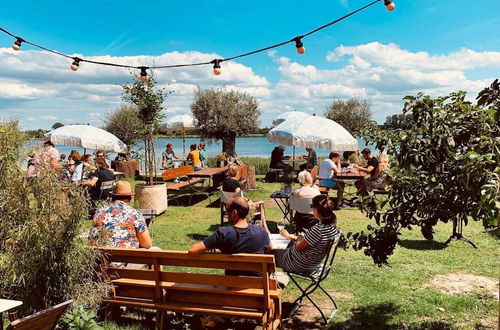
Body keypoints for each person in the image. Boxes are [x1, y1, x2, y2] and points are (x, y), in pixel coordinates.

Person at [188, 196, 270, 275]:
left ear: (234, 213)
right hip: (257, 285)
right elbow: (270, 247)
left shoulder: (223, 233)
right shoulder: (261, 232)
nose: (226, 213)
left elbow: (192, 251)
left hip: (232, 285)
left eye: (227, 210)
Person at [273, 194, 341, 275]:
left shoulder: (318, 230)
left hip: (297, 264)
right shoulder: (332, 227)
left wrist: (300, 236)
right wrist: (290, 237)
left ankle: (264, 282)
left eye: (312, 206)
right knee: (279, 247)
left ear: (316, 210)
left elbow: (298, 247)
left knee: (269, 252)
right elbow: (309, 241)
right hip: (309, 263)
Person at [88, 181, 152, 249]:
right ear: (130, 198)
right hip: (125, 257)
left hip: (99, 257)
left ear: (112, 196)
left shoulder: (99, 211)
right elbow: (147, 244)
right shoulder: (134, 214)